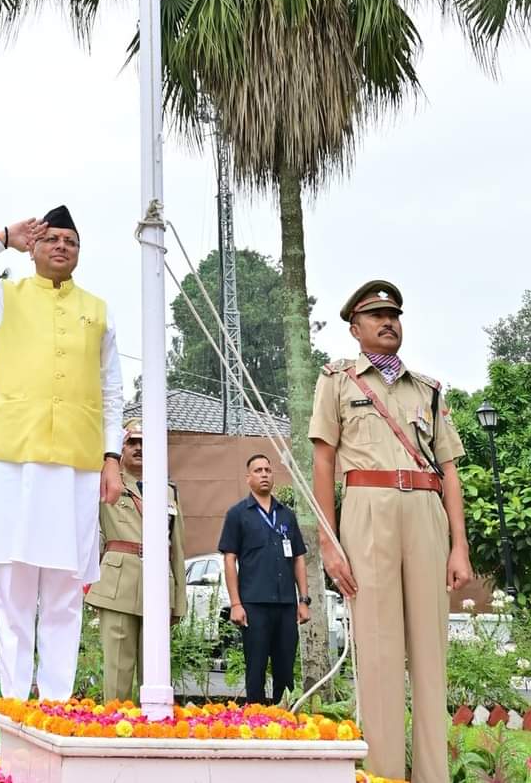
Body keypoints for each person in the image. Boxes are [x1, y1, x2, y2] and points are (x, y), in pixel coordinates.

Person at [0, 207, 123, 702]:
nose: (62, 246)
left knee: (64, 594)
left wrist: (112, 457)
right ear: (34, 247)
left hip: (77, 468)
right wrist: (0, 238)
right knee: (14, 594)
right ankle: (16, 710)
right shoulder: (1, 297)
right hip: (14, 463)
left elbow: (113, 391)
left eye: (71, 241)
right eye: (52, 238)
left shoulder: (97, 311)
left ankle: (56, 709)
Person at [310, 280, 472, 783]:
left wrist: (459, 545)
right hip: (367, 509)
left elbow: (450, 469)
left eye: (393, 316)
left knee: (430, 653)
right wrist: (328, 541)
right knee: (377, 653)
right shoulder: (337, 381)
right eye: (376, 316)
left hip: (426, 511)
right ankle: (382, 775)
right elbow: (322, 459)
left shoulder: (427, 388)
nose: (388, 323)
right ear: (355, 329)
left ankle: (431, 775)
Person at [84, 417, 187, 702]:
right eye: (132, 442)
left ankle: (150, 735)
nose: (139, 448)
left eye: (145, 443)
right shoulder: (104, 484)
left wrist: (179, 598)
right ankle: (113, 732)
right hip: (118, 584)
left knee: (155, 672)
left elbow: (177, 547)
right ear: (121, 447)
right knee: (118, 671)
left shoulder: (168, 492)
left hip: (158, 585)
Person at [217, 451, 310, 705]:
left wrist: (303, 599)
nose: (264, 475)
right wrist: (236, 603)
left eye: (268, 470)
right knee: (256, 667)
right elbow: (229, 558)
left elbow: (299, 557)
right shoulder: (238, 514)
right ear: (248, 478)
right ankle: (255, 721)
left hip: (285, 605)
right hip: (254, 604)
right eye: (258, 471)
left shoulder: (286, 515)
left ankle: (285, 720)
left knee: (285, 669)